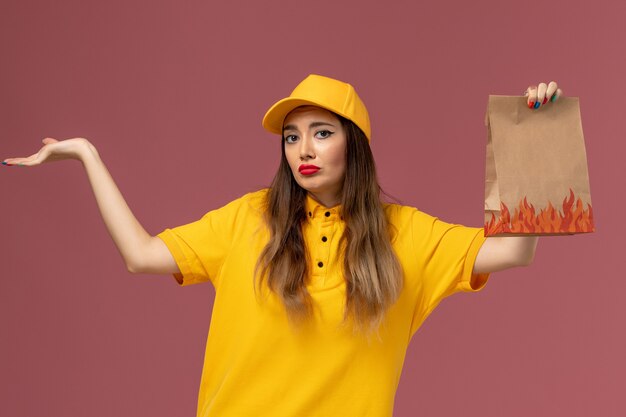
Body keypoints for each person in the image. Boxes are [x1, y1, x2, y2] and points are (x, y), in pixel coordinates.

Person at [2, 74, 562, 417]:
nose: (303, 149)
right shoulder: (248, 219)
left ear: (355, 145)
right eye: (292, 137)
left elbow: (515, 250)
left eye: (321, 132)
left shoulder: (406, 234)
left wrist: (533, 138)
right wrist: (87, 155)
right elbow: (141, 254)